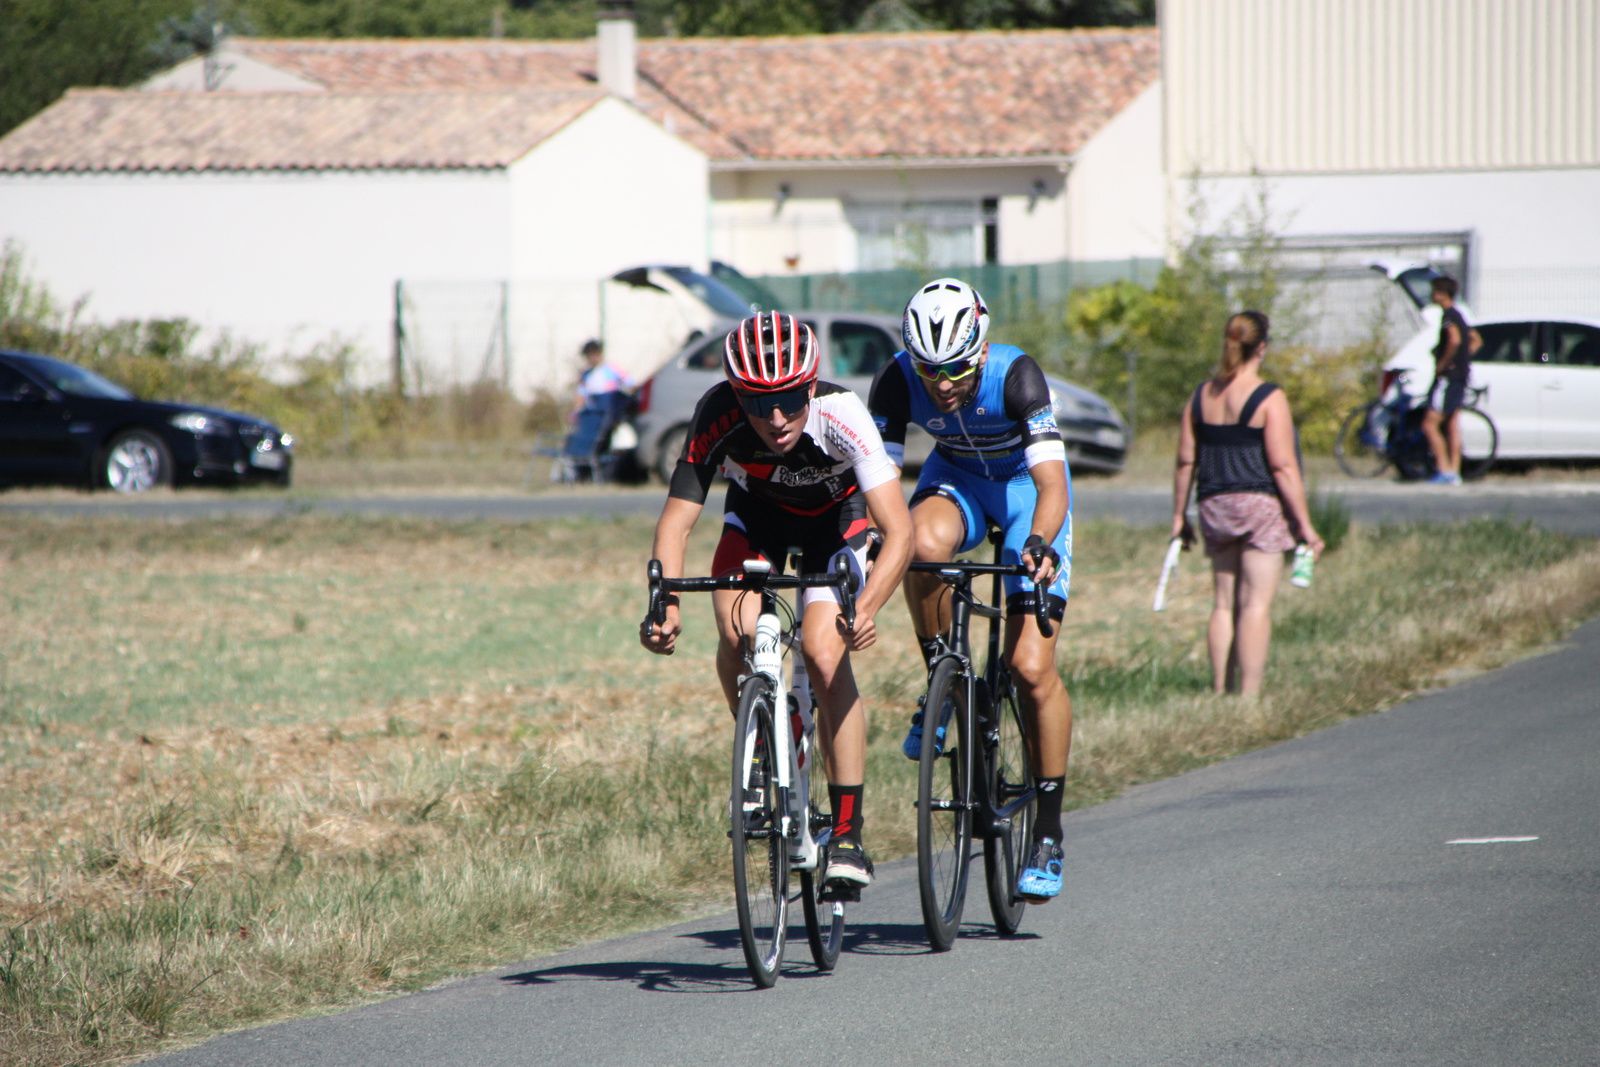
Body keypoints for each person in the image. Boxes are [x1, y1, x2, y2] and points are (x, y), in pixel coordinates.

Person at [640, 311, 912, 893]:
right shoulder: (716, 412)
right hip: (757, 516)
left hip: (834, 524)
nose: (777, 418)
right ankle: (763, 741)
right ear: (737, 396)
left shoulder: (842, 413)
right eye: (759, 404)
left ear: (809, 387)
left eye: (789, 400)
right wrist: (665, 603)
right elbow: (676, 523)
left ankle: (848, 833)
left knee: (823, 653)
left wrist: (867, 607)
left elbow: (900, 530)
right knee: (735, 631)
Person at [868, 277, 1074, 903]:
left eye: (956, 369)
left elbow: (1053, 484)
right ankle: (942, 678)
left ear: (980, 350)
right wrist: (872, 536)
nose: (943, 385)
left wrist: (1039, 542)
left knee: (1030, 667)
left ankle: (1048, 832)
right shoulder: (896, 378)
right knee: (916, 544)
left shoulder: (1018, 377)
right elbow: (878, 477)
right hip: (956, 478)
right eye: (929, 371)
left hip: (1024, 495)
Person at [1170, 310, 1324, 698]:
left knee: (1223, 604)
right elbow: (1283, 466)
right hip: (1260, 506)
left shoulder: (1201, 396)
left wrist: (1179, 517)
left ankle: (1220, 688)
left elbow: (1186, 461)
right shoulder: (1269, 397)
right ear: (1262, 348)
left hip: (1214, 504)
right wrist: (1306, 526)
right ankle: (1248, 697)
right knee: (1255, 605)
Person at [1420, 276, 1473, 486]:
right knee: (1452, 424)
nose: (1431, 295)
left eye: (1434, 291)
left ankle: (1444, 469)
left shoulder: (1449, 316)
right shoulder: (1460, 315)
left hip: (1449, 378)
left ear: (1442, 294)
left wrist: (1443, 364)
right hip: (1460, 376)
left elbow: (1455, 340)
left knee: (1429, 424)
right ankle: (1455, 470)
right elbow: (1475, 339)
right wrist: (1463, 360)